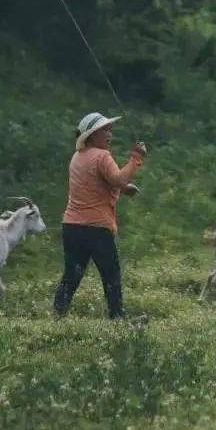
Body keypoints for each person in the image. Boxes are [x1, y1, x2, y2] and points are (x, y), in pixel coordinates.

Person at [53, 111, 146, 321]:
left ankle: (57, 315)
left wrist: (123, 188)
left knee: (72, 274)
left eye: (110, 129)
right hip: (96, 227)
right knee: (111, 274)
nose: (109, 133)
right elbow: (117, 179)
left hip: (71, 226)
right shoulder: (102, 156)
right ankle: (117, 318)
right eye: (105, 129)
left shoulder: (77, 157)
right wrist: (136, 159)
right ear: (92, 135)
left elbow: (94, 184)